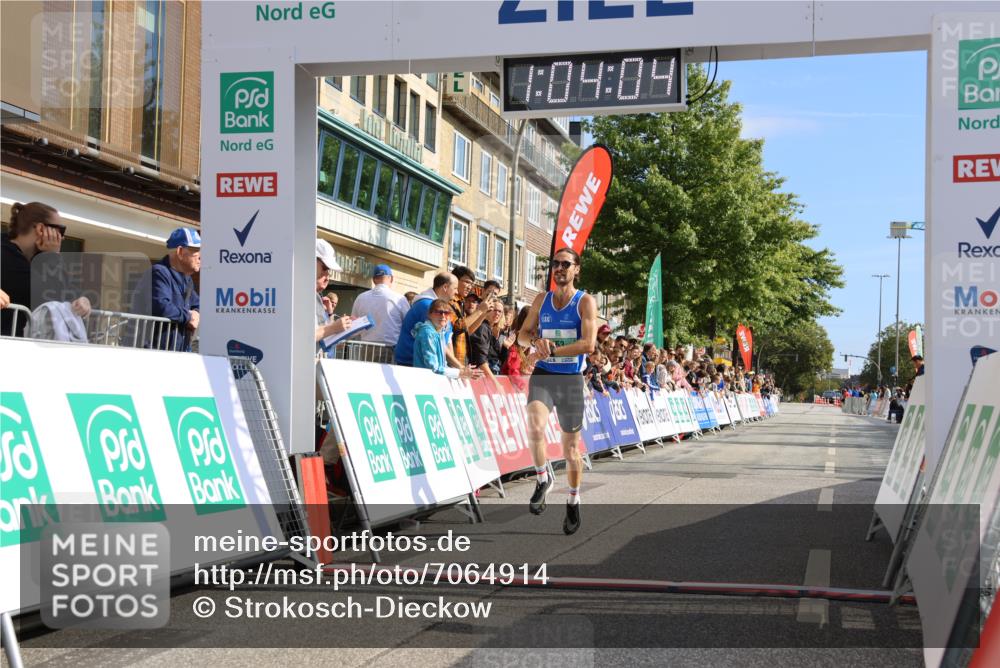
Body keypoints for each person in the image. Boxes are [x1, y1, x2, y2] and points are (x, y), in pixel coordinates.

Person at [516, 247, 597, 535]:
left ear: (576, 270)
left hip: (571, 379)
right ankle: (542, 478)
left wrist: (554, 349)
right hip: (544, 375)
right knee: (535, 426)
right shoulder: (542, 299)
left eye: (566, 264)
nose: (559, 268)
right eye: (556, 264)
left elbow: (589, 345)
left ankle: (573, 500)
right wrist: (535, 341)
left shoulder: (585, 302)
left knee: (571, 449)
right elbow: (522, 334)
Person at [2, 201, 90, 337]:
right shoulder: (6, 255)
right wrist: (51, 256)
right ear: (41, 229)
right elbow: (51, 295)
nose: (63, 237)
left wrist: (82, 300)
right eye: (60, 230)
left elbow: (70, 293)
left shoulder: (38, 259)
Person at [131, 227, 201, 351]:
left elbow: (198, 304)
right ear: (180, 252)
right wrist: (188, 317)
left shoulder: (187, 279)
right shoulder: (158, 272)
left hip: (175, 352)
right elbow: (161, 306)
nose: (200, 257)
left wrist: (195, 313)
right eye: (196, 251)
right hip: (153, 353)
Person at [395, 272, 458, 367]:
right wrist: (459, 368)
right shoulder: (428, 306)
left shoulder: (439, 307)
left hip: (429, 365)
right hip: (413, 365)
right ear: (445, 287)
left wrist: (455, 367)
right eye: (455, 288)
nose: (457, 292)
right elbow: (438, 342)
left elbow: (447, 338)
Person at [351, 264, 409, 346]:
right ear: (391, 279)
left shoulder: (360, 298)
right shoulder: (399, 299)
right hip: (390, 347)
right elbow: (409, 323)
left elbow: (353, 324)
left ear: (374, 280)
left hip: (366, 347)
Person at [314, 239, 352, 353]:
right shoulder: (299, 294)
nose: (327, 276)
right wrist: (334, 327)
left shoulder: (314, 296)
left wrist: (344, 327)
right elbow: (300, 337)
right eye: (325, 268)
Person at [413, 299, 464, 379]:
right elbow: (433, 367)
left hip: (433, 380)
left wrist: (460, 372)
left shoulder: (439, 332)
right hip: (423, 381)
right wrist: (459, 373)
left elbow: (441, 365)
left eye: (446, 313)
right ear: (429, 314)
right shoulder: (428, 333)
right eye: (438, 312)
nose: (443, 316)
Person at [469, 298, 505, 381]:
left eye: (500, 311)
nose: (497, 313)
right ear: (488, 310)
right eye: (494, 310)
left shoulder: (490, 329)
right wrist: (495, 383)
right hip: (479, 378)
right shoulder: (482, 327)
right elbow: (481, 360)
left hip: (487, 376)